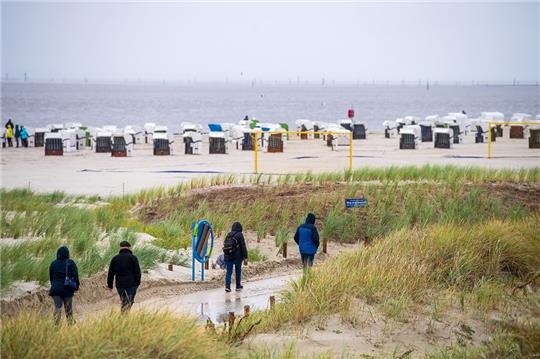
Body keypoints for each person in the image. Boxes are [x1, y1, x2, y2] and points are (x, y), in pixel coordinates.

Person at [49, 246, 80, 324]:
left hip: (55, 289)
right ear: (67, 254)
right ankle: (70, 325)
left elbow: (51, 277)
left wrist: (54, 286)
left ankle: (55, 325)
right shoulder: (70, 262)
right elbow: (75, 276)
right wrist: (76, 286)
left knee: (58, 307)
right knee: (68, 309)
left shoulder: (53, 263)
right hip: (67, 289)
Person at [107, 241, 141, 312]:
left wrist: (110, 285)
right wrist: (137, 283)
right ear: (129, 248)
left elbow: (110, 273)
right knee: (129, 301)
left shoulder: (115, 259)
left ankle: (124, 317)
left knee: (124, 301)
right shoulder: (133, 258)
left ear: (120, 248)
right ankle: (124, 316)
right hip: (131, 284)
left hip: (120, 284)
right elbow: (137, 272)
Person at [223, 222, 248, 292]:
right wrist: (245, 257)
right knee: (238, 271)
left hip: (228, 256)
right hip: (237, 257)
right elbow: (243, 246)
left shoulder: (229, 234)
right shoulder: (240, 234)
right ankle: (238, 286)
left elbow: (225, 245)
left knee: (229, 272)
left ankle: (227, 287)